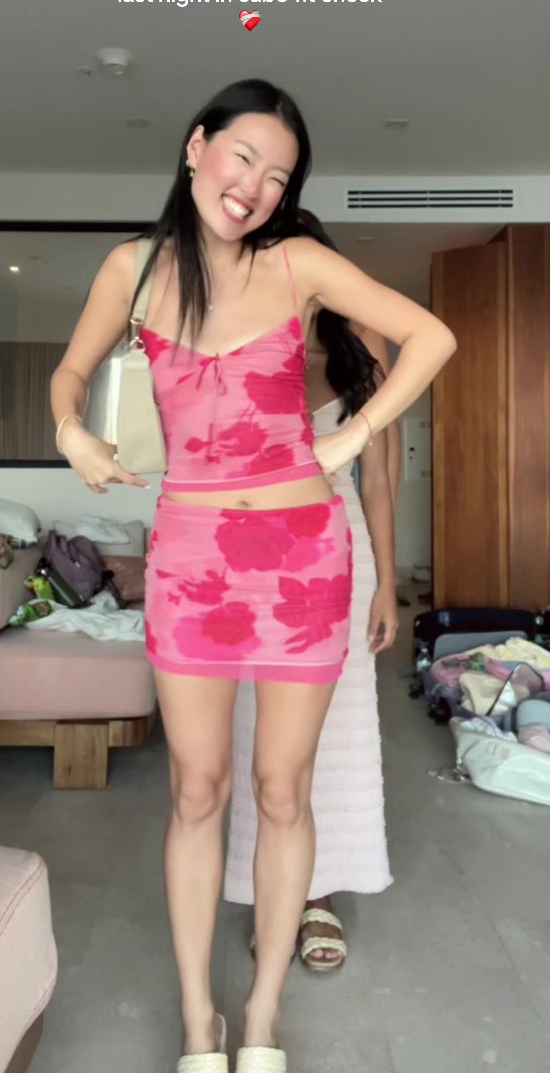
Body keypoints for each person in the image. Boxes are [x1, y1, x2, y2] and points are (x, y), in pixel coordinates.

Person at [50, 79, 456, 1073]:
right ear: (197, 148)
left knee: (283, 790)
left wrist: (353, 433)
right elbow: (69, 373)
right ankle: (201, 1019)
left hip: (305, 561)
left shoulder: (299, 262)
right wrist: (71, 431)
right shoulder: (132, 270)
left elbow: (432, 336)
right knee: (197, 790)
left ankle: (263, 1013)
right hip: (190, 563)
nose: (256, 186)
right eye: (244, 157)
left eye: (279, 176)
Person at [225, 211, 401, 972]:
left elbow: (381, 481)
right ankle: (271, 890)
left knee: (333, 728)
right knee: (253, 730)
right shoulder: (232, 338)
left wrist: (387, 583)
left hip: (338, 548)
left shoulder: (365, 344)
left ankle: (318, 893)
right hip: (246, 554)